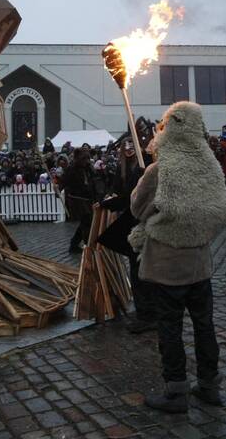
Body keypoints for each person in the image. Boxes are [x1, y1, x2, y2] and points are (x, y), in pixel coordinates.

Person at [130, 101, 226, 413]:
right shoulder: (209, 166)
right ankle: (209, 385)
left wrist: (144, 180)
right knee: (205, 325)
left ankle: (176, 392)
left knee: (170, 326)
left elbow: (137, 209)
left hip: (168, 264)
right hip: (200, 262)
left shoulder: (161, 169)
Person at [98, 126, 157, 334]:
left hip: (142, 223)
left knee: (141, 269)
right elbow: (120, 193)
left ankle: (148, 314)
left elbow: (132, 197)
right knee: (137, 267)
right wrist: (108, 199)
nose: (129, 148)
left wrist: (110, 204)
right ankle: (146, 311)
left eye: (133, 144)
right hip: (132, 222)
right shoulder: (124, 168)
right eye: (126, 145)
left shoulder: (145, 166)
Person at [62, 146, 97, 254]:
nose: (86, 161)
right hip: (76, 199)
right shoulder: (71, 169)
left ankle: (74, 244)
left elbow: (94, 180)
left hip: (86, 198)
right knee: (87, 221)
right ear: (77, 158)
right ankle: (88, 246)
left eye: (87, 158)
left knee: (85, 222)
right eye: (83, 159)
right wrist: (58, 189)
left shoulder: (88, 168)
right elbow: (63, 181)